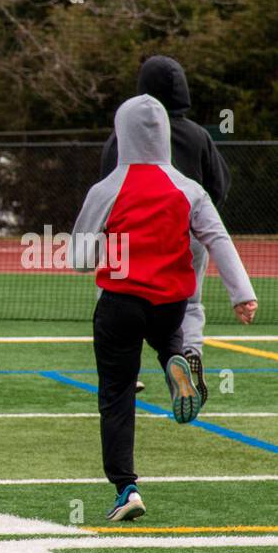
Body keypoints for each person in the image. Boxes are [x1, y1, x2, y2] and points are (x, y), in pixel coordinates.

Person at [72, 95, 256, 522]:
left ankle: (127, 487)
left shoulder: (107, 189)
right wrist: (241, 294)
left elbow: (79, 259)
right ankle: (178, 365)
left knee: (116, 394)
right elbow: (218, 239)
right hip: (170, 304)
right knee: (169, 340)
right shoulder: (189, 189)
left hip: (119, 305)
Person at [99, 56, 257, 402]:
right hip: (187, 232)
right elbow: (219, 183)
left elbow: (108, 185)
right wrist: (197, 219)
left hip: (133, 235)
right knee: (190, 303)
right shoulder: (198, 135)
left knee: (118, 296)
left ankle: (129, 372)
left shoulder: (121, 137)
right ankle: (190, 358)